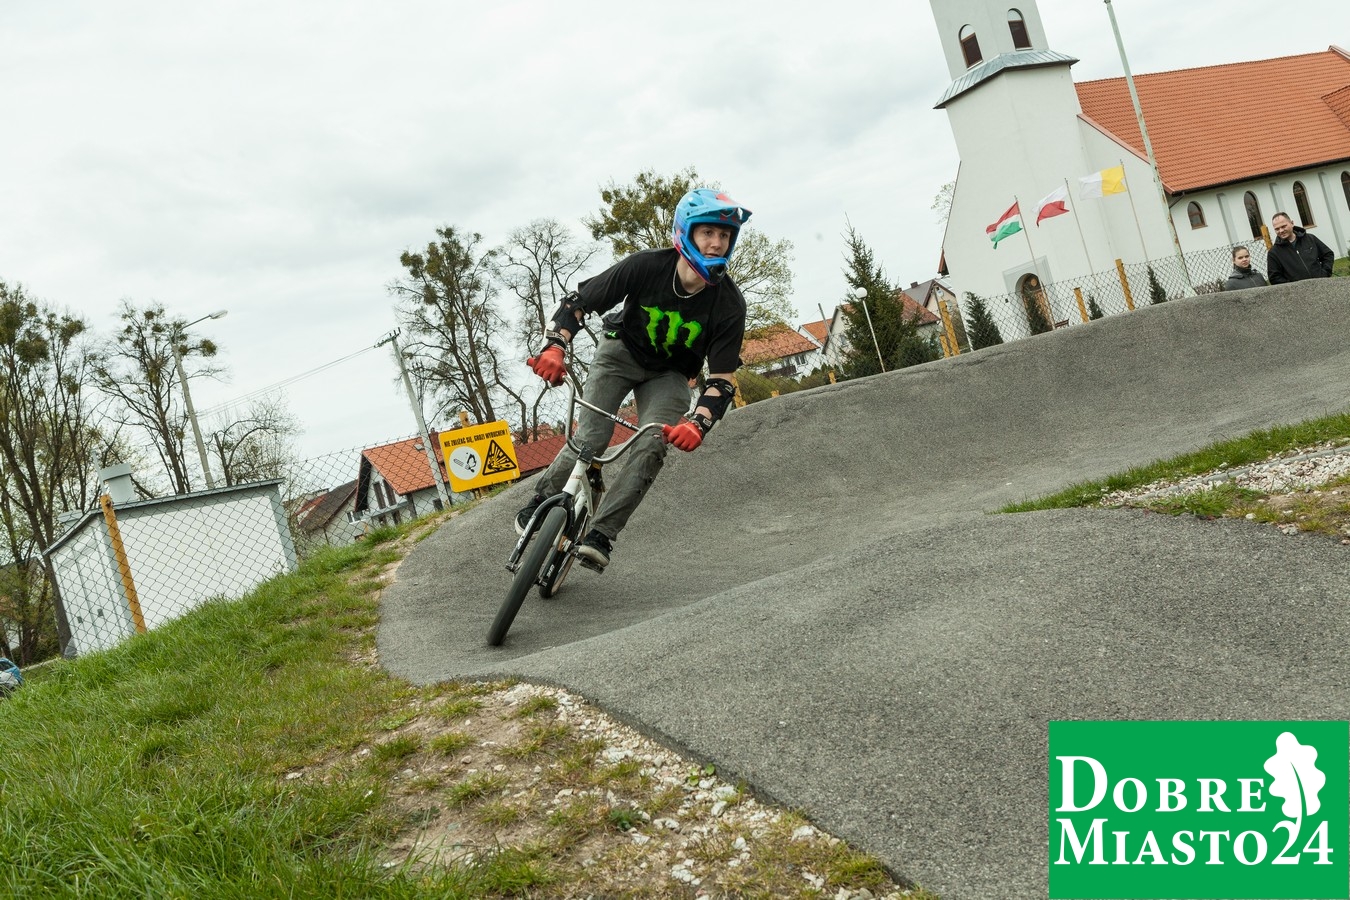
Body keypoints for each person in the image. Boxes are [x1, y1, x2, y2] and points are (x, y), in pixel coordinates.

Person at [516, 188, 751, 570]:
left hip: (670, 375)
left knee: (652, 444)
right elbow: (579, 303)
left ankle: (601, 534)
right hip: (620, 353)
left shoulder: (729, 304)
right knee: (592, 438)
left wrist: (698, 424)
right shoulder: (646, 266)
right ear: (686, 232)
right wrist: (555, 348)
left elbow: (722, 380)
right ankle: (541, 499)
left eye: (724, 235)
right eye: (708, 232)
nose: (716, 243)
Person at [1266, 212, 1334, 283]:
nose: (1281, 231)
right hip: (1298, 290)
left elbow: (1328, 254)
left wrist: (1324, 274)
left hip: (1322, 284)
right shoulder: (1274, 253)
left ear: (1292, 223)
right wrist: (1293, 287)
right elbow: (1274, 278)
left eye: (1283, 226)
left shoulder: (1310, 239)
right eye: (1277, 229)